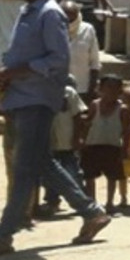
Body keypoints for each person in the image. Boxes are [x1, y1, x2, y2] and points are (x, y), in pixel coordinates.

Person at [0, 0, 111, 259]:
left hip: (37, 100)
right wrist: (5, 76)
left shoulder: (49, 14)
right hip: (21, 98)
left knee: (24, 169)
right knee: (41, 162)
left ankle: (3, 235)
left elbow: (57, 61)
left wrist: (17, 71)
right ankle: (92, 212)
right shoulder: (27, 11)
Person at [80, 74, 130, 213]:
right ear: (100, 89)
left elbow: (126, 131)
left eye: (116, 88)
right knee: (89, 176)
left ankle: (109, 203)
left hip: (113, 146)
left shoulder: (123, 109)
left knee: (112, 176)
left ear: (120, 91)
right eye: (108, 87)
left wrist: (125, 150)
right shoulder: (94, 105)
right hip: (93, 145)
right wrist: (82, 141)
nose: (111, 91)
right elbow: (87, 124)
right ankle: (92, 203)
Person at [39, 75, 88, 217]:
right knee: (49, 176)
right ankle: (52, 202)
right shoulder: (42, 93)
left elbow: (78, 116)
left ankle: (83, 202)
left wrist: (77, 137)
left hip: (67, 142)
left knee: (74, 173)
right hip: (49, 143)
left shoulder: (69, 93)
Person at [61, 1, 101, 100]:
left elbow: (95, 63)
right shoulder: (53, 29)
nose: (69, 22)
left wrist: (91, 91)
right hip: (57, 89)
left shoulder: (88, 30)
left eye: (71, 18)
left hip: (82, 90)